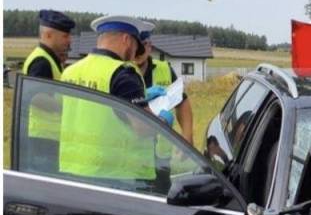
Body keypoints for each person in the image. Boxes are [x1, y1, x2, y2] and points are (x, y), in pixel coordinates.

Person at [58, 15, 167, 185]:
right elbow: (143, 127)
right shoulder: (123, 74)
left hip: (72, 171)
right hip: (114, 174)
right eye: (135, 47)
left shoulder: (71, 71)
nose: (134, 56)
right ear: (126, 39)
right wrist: (162, 122)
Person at [21, 10, 75, 172]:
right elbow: (37, 98)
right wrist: (69, 108)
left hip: (46, 137)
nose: (69, 40)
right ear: (49, 35)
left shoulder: (49, 58)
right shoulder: (42, 61)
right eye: (65, 36)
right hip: (43, 139)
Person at [134, 31, 195, 145]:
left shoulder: (164, 69)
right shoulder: (121, 71)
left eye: (143, 45)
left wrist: (187, 136)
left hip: (161, 153)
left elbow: (181, 101)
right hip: (134, 151)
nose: (139, 52)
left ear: (150, 47)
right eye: (136, 46)